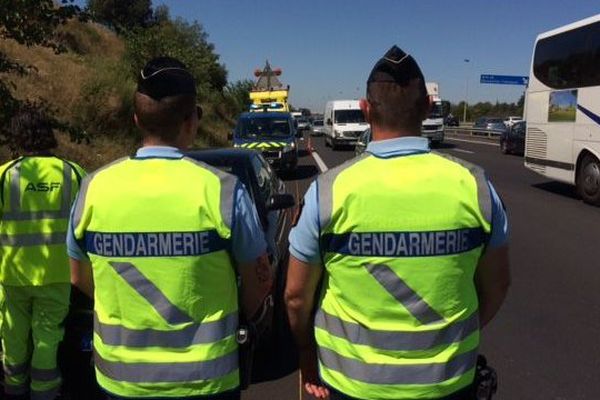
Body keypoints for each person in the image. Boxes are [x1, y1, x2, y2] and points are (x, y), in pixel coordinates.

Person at [285, 45, 510, 400]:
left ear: (365, 110)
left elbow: (296, 297)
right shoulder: (476, 186)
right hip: (449, 384)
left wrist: (305, 352)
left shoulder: (327, 192)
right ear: (427, 107)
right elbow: (497, 286)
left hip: (352, 387)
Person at [67, 57, 273, 400]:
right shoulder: (223, 191)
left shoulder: (92, 188)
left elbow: (78, 277)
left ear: (136, 120)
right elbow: (259, 281)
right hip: (208, 381)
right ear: (192, 121)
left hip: (120, 381)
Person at [0, 104, 86, 400]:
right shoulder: (73, 173)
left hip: (12, 275)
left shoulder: (4, 175)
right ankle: (45, 392)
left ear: (16, 138)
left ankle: (13, 390)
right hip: (59, 274)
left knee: (13, 338)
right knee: (48, 338)